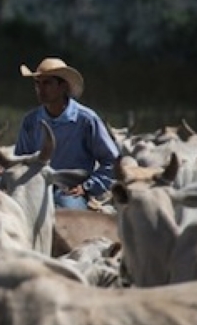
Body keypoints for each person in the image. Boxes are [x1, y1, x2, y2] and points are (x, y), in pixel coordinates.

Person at [13, 57, 119, 210]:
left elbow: (112, 161)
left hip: (69, 191)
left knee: (70, 217)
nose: (40, 89)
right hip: (35, 187)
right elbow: (21, 160)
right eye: (37, 83)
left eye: (47, 83)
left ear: (63, 86)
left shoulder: (86, 120)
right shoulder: (31, 121)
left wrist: (87, 187)